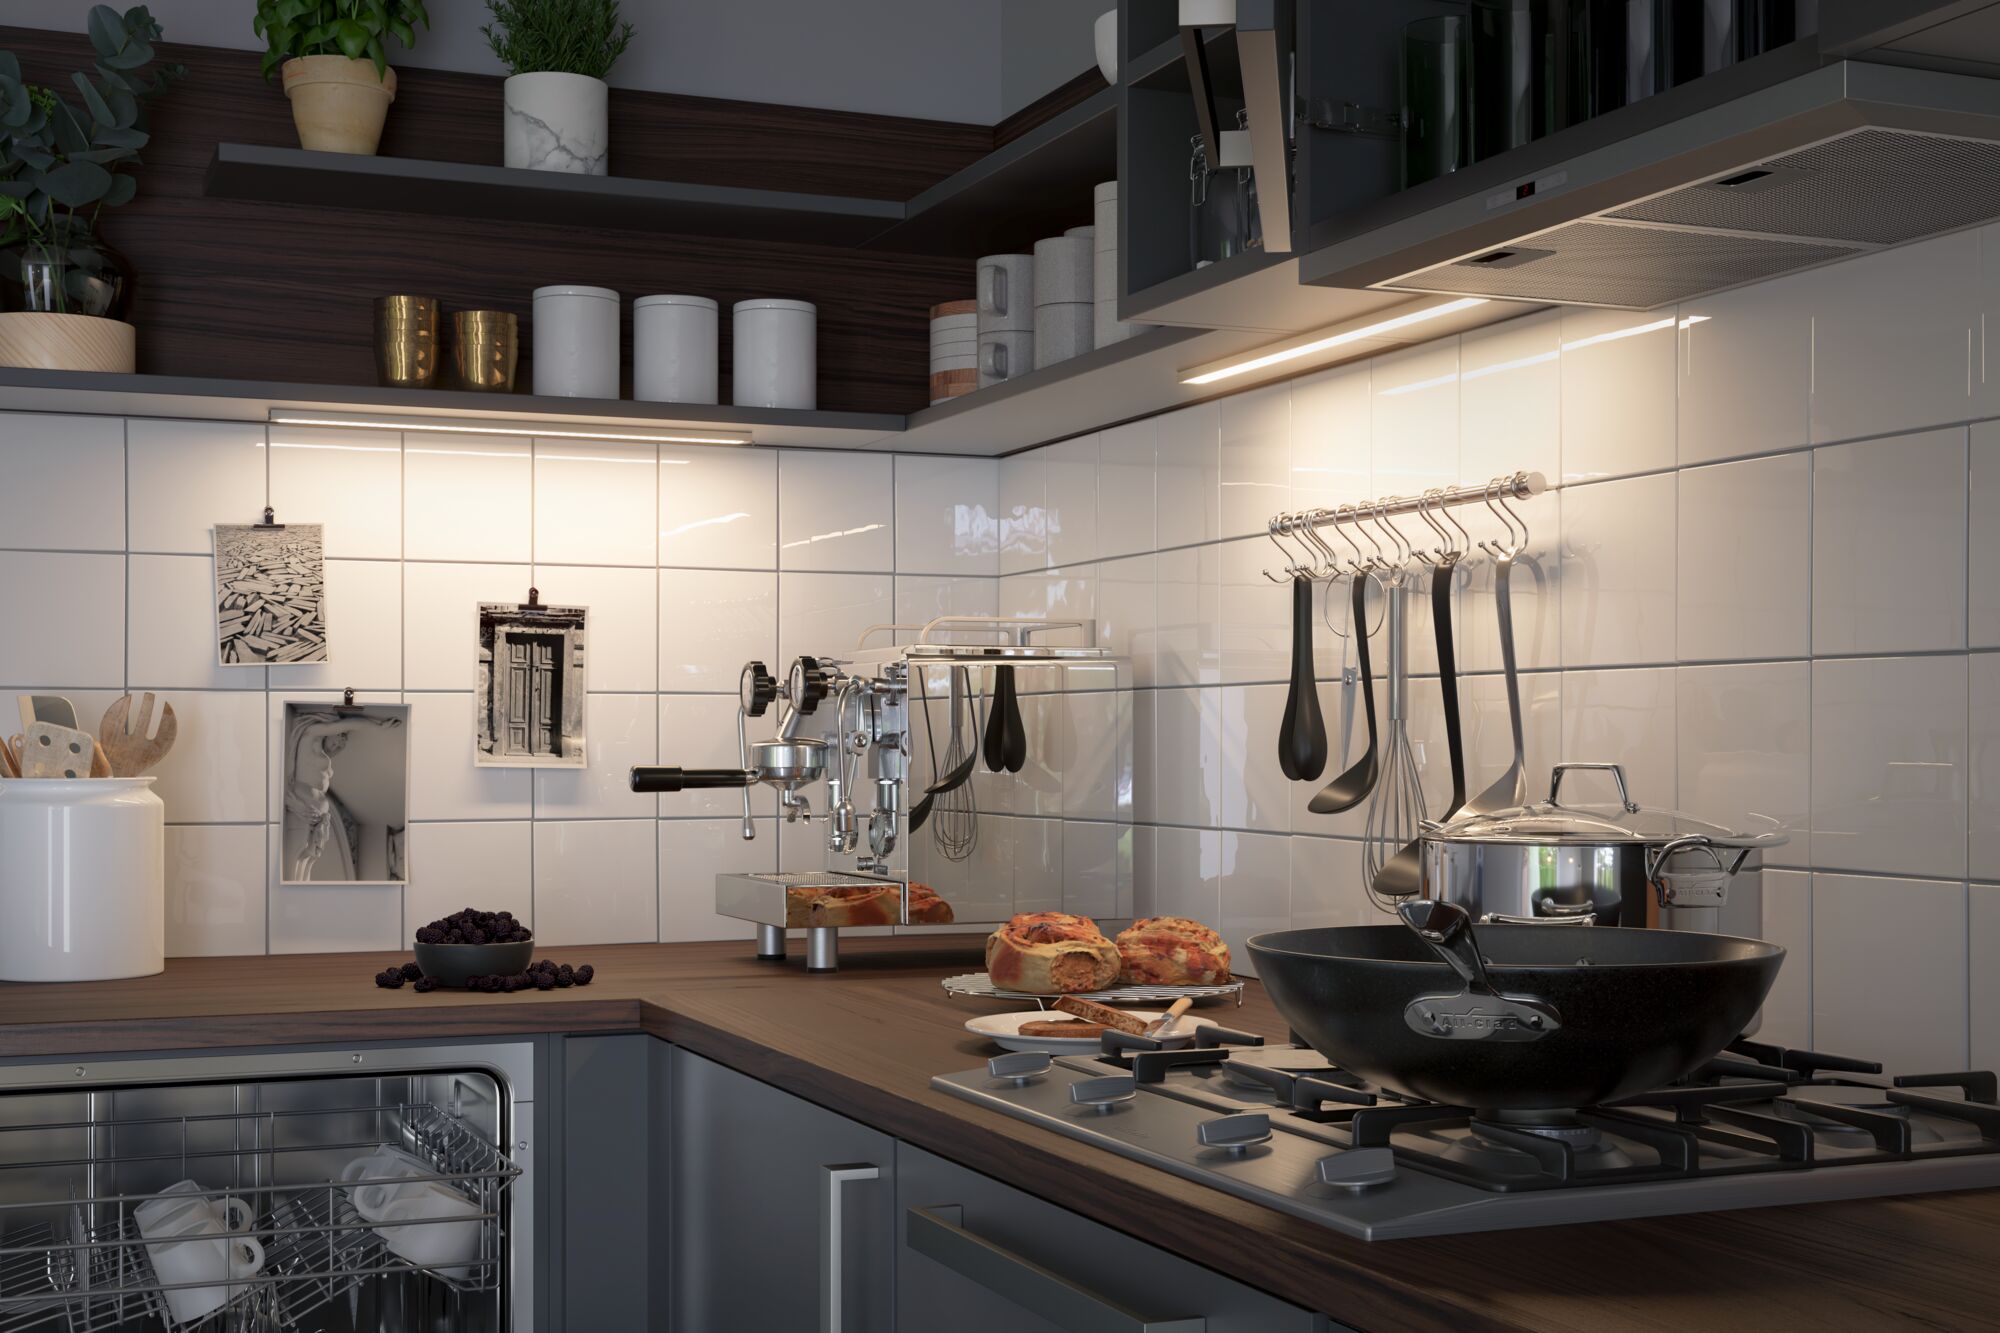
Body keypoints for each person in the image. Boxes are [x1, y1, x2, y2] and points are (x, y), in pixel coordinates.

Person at [283, 710, 403, 881]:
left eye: (341, 745)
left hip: (316, 818)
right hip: (303, 810)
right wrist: (377, 726)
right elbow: (345, 725)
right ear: (330, 733)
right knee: (296, 860)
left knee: (306, 863)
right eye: (338, 740)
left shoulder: (322, 756)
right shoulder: (308, 736)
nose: (338, 747)